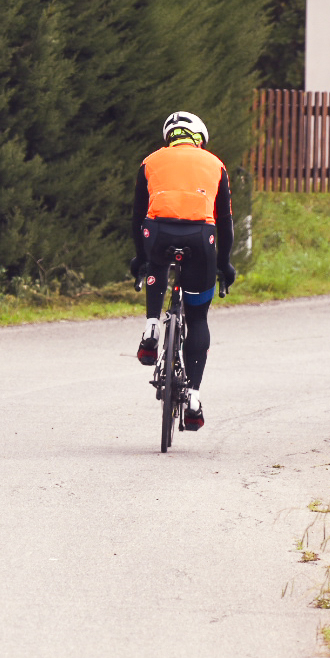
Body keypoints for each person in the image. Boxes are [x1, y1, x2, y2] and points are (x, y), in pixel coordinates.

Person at [128, 110, 236, 431]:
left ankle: (151, 327)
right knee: (198, 317)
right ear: (199, 138)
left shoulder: (150, 162)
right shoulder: (215, 165)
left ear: (168, 138)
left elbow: (137, 217)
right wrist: (224, 263)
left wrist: (140, 258)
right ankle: (193, 398)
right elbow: (226, 222)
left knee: (156, 261)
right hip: (202, 238)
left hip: (157, 233)